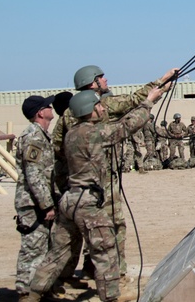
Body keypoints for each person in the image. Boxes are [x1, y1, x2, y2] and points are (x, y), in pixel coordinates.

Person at [30, 73, 172, 302]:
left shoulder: (71, 133)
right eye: (98, 106)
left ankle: (33, 293)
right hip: (89, 200)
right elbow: (126, 127)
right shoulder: (95, 133)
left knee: (57, 253)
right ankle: (112, 297)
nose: (103, 109)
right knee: (105, 250)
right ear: (90, 109)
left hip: (70, 199)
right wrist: (149, 102)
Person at [14, 95, 56, 298]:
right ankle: (25, 292)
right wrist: (46, 204)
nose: (51, 108)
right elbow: (33, 175)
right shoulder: (33, 137)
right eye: (48, 106)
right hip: (32, 204)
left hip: (38, 202)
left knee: (44, 249)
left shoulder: (42, 135)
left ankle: (39, 291)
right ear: (41, 112)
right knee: (32, 250)